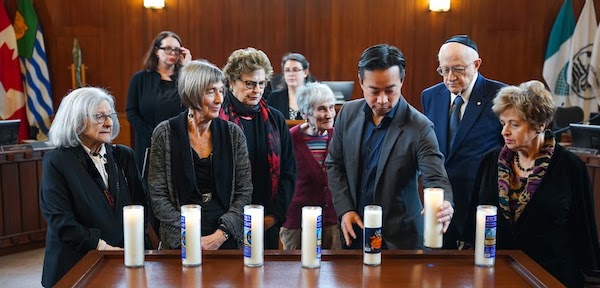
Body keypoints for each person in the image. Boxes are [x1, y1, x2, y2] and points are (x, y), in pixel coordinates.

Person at [466, 80, 600, 287]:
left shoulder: (571, 167)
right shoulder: (490, 161)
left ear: (539, 125)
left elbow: (584, 231)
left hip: (551, 277)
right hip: (497, 275)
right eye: (503, 123)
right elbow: (473, 223)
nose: (505, 132)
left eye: (515, 124)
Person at [326, 44, 454, 250]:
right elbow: (335, 165)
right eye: (374, 91)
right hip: (355, 231)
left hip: (400, 240)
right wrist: (345, 210)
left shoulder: (419, 127)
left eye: (390, 90)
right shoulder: (348, 113)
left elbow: (436, 178)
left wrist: (445, 202)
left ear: (402, 81)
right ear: (361, 82)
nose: (383, 100)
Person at [40, 87, 146, 287]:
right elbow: (61, 221)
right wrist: (103, 247)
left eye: (110, 116)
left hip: (124, 259)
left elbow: (140, 204)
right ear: (77, 120)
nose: (108, 123)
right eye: (99, 117)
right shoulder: (57, 161)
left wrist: (134, 246)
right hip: (75, 264)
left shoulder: (124, 155)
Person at [148, 60, 253, 250]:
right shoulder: (164, 133)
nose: (219, 99)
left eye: (221, 91)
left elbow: (244, 191)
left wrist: (221, 235)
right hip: (179, 236)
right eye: (211, 91)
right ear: (193, 92)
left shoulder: (233, 133)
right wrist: (189, 234)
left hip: (225, 235)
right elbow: (157, 195)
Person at [420, 35, 505, 249]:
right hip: (440, 203)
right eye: (444, 70)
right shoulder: (430, 96)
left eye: (457, 69)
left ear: (476, 64)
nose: (450, 77)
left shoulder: (500, 95)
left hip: (480, 201)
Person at [220, 47, 297, 249]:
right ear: (231, 82)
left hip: (265, 220)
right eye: (250, 84)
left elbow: (289, 171)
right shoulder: (217, 119)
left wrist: (274, 216)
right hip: (223, 224)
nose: (257, 90)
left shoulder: (274, 119)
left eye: (261, 83)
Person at [280, 82, 341, 250]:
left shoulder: (338, 137)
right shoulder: (289, 139)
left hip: (331, 221)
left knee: (333, 272)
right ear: (305, 113)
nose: (329, 114)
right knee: (295, 273)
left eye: (331, 107)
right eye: (321, 109)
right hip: (297, 222)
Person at [126, 31, 192, 170]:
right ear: (156, 51)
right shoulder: (140, 78)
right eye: (168, 49)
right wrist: (152, 135)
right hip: (147, 143)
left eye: (177, 50)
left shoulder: (185, 78)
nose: (173, 53)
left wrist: (188, 69)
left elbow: (192, 104)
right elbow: (131, 112)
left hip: (178, 142)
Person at [267, 53, 314, 120]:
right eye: (287, 70)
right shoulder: (274, 97)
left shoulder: (314, 98)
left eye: (295, 70)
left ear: (305, 73)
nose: (291, 74)